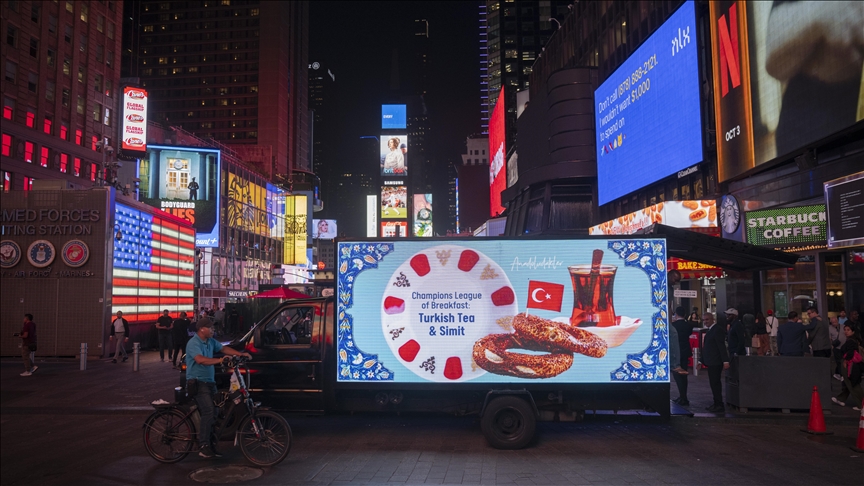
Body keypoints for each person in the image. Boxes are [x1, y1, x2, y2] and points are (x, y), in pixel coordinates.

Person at [185, 318, 251, 458]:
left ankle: (211, 444)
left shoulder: (210, 341)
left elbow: (223, 348)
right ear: (202, 329)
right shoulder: (193, 343)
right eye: (211, 328)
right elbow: (200, 359)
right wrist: (221, 360)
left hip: (210, 382)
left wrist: (240, 354)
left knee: (215, 412)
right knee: (208, 411)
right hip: (197, 382)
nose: (213, 330)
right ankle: (203, 446)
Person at [701, 312, 730, 413]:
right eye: (704, 320)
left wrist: (725, 361)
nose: (705, 322)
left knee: (715, 383)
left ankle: (719, 404)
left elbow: (721, 346)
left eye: (707, 320)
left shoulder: (717, 330)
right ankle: (716, 403)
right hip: (712, 361)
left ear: (712, 319)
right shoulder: (711, 330)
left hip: (716, 362)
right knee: (713, 383)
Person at [831, 324, 864, 411]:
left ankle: (861, 404)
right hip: (854, 364)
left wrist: (845, 360)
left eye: (848, 330)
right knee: (848, 383)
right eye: (845, 330)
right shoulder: (854, 340)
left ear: (852, 331)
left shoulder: (850, 341)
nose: (846, 331)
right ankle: (840, 399)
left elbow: (850, 353)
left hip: (850, 365)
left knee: (852, 383)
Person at [672, 306, 699, 406]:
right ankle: (684, 396)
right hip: (685, 351)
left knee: (677, 374)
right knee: (684, 374)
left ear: (676, 313)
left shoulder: (674, 325)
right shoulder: (689, 325)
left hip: (676, 351)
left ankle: (682, 396)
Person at [829, 316, 846, 381]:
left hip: (844, 346)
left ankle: (837, 373)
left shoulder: (843, 326)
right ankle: (842, 374)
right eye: (832, 322)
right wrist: (832, 345)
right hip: (836, 347)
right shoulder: (830, 328)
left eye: (835, 322)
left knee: (843, 360)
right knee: (839, 361)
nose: (834, 323)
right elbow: (829, 338)